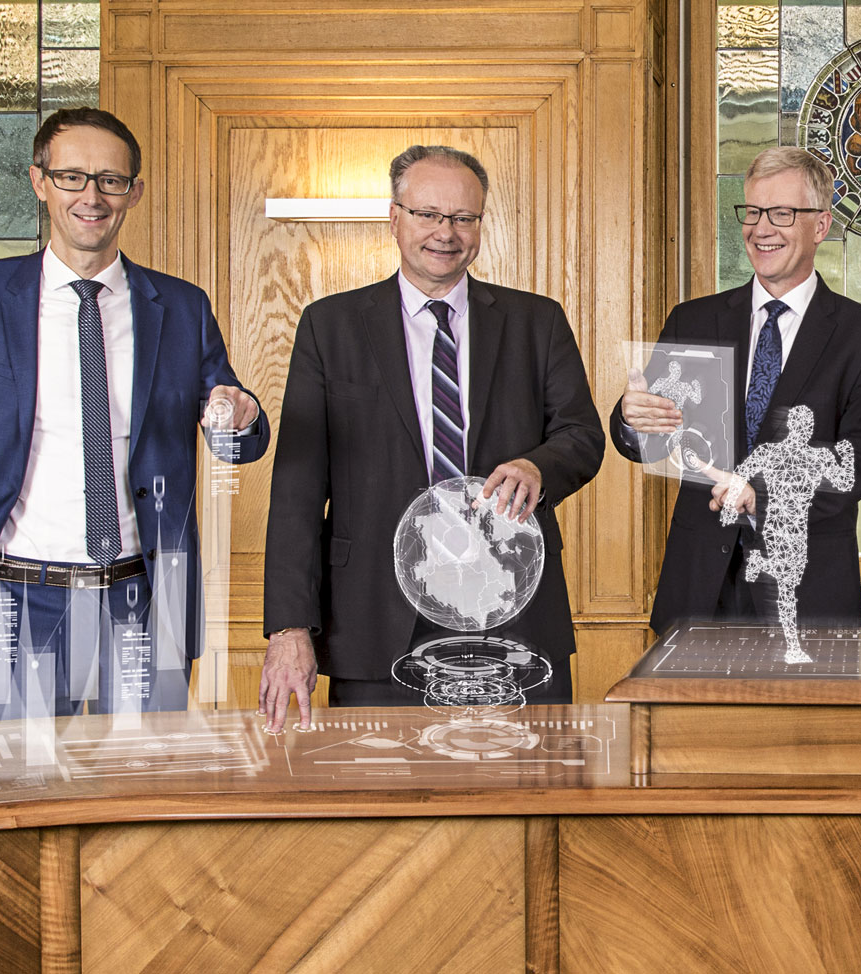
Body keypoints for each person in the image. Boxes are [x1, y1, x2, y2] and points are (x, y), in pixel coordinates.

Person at [0, 108, 269, 721]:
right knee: (21, 781)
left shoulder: (181, 307)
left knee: (143, 781)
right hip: (14, 604)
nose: (91, 196)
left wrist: (242, 417)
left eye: (111, 180)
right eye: (71, 177)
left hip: (144, 607)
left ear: (134, 192)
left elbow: (236, 435)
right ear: (39, 181)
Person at [258, 145, 605, 727]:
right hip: (374, 619)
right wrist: (289, 627)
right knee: (380, 782)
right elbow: (297, 489)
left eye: (463, 218)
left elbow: (582, 435)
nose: (446, 233)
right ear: (395, 218)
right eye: (428, 215)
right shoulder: (330, 326)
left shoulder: (536, 321)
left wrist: (538, 467)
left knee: (523, 778)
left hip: (510, 606)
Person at [614, 146, 861, 634]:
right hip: (699, 589)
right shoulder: (693, 321)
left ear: (821, 225)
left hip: (806, 590)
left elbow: (859, 462)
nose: (761, 228)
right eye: (752, 212)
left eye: (782, 213)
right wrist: (632, 418)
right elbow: (653, 443)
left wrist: (760, 495)